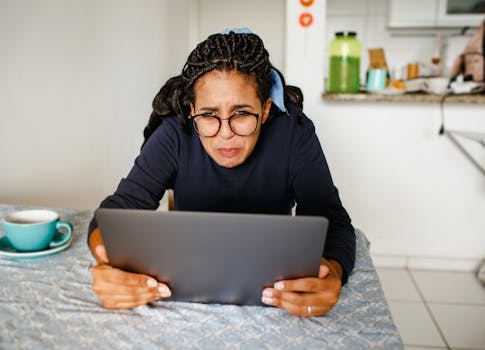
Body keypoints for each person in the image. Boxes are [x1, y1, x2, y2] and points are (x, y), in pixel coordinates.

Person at [88, 29, 356, 317]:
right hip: (185, 298)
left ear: (265, 110)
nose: (225, 134)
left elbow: (333, 220)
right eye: (208, 115)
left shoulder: (295, 134)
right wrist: (107, 264)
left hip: (274, 297)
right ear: (192, 110)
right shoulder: (174, 132)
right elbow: (117, 211)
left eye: (241, 114)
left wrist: (332, 275)